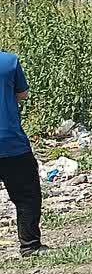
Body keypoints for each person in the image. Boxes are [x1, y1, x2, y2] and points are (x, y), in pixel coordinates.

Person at [0, 52, 45, 257]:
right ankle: (29, 246)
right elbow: (22, 94)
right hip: (10, 143)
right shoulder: (9, 61)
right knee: (27, 196)